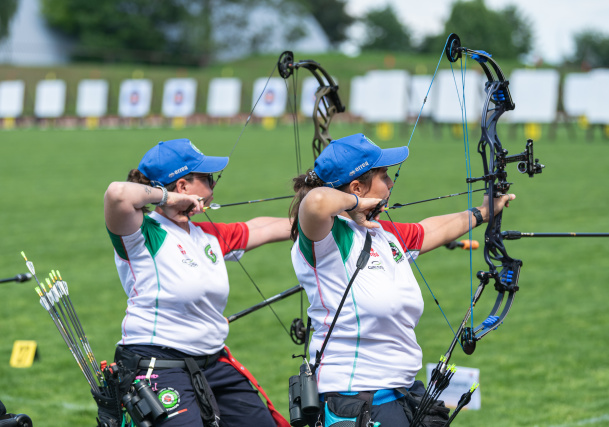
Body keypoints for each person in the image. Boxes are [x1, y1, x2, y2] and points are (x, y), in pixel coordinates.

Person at [289, 133, 515, 427]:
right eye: (383, 175)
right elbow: (317, 201)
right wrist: (357, 202)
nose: (391, 182)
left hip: (401, 397)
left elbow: (430, 230)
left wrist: (483, 212)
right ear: (357, 187)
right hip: (354, 405)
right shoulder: (328, 240)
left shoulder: (382, 233)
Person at [103, 138, 291, 427]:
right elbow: (117, 193)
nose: (213, 186)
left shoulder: (208, 235)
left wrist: (326, 215)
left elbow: (262, 227)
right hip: (158, 365)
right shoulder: (142, 233)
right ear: (182, 187)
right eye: (207, 178)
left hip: (212, 363)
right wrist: (166, 199)